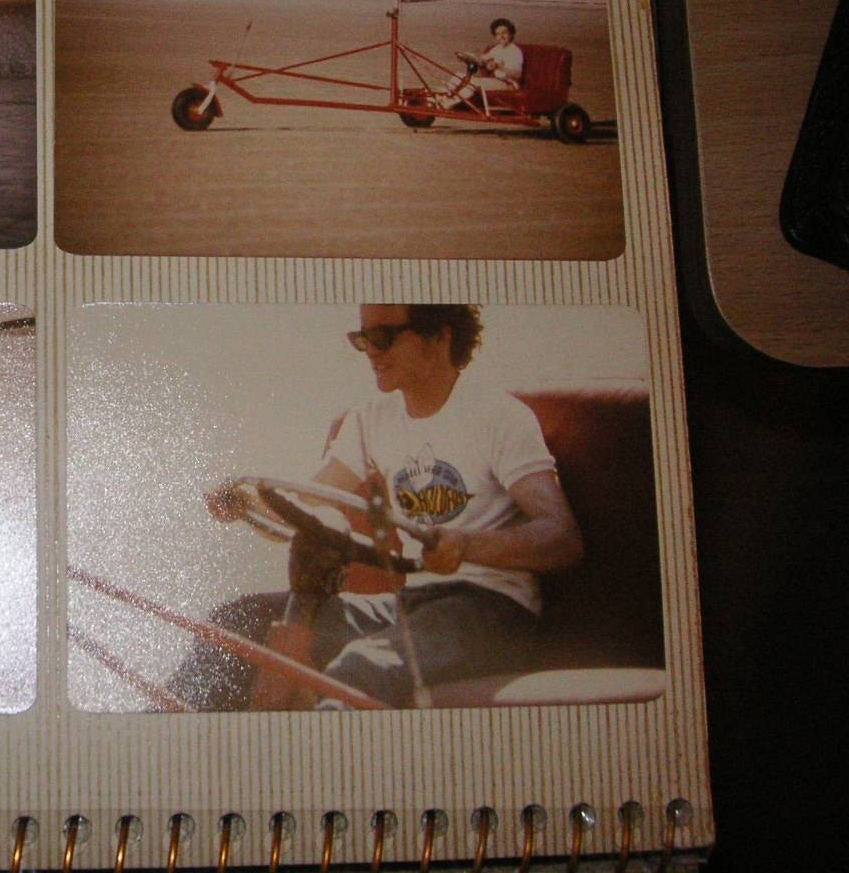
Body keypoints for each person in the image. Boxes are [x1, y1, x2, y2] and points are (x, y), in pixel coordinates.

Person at [171, 304, 584, 710]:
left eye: (384, 337)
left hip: (491, 611)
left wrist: (463, 545)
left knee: (357, 671)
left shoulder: (499, 416)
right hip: (410, 602)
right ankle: (175, 734)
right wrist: (245, 503)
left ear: (440, 336)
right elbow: (309, 505)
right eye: (363, 338)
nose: (371, 350)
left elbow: (562, 538)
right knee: (237, 622)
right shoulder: (371, 420)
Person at [445, 17, 524, 113]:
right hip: (495, 81)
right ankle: (447, 97)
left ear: (511, 34)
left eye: (504, 33)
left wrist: (499, 66)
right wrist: (467, 58)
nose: (501, 36)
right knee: (459, 75)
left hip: (508, 84)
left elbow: (518, 74)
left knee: (474, 82)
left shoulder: (515, 51)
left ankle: (450, 103)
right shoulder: (497, 49)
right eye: (498, 34)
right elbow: (481, 60)